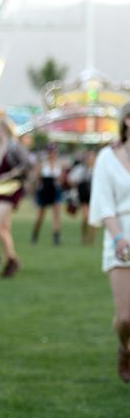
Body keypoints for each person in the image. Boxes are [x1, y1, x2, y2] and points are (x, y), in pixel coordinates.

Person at [89, 106, 130, 382]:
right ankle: (125, 347)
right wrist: (117, 237)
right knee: (126, 318)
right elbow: (104, 204)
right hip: (120, 236)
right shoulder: (107, 157)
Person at [0, 117, 29, 277]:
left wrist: (10, 174)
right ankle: (9, 261)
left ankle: (12, 259)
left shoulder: (14, 146)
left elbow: (26, 163)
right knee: (4, 227)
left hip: (11, 189)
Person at [31, 143, 63, 245]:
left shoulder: (60, 163)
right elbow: (36, 178)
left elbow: (62, 179)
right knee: (40, 215)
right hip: (44, 189)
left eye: (53, 151)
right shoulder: (42, 163)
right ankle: (35, 234)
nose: (52, 153)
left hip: (55, 189)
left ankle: (56, 236)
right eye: (50, 151)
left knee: (56, 214)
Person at [67, 149, 96, 245]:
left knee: (94, 218)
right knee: (86, 217)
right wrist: (76, 186)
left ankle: (92, 238)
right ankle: (84, 236)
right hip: (83, 197)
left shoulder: (97, 169)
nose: (90, 159)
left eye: (92, 157)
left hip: (94, 197)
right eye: (89, 157)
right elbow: (70, 179)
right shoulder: (80, 169)